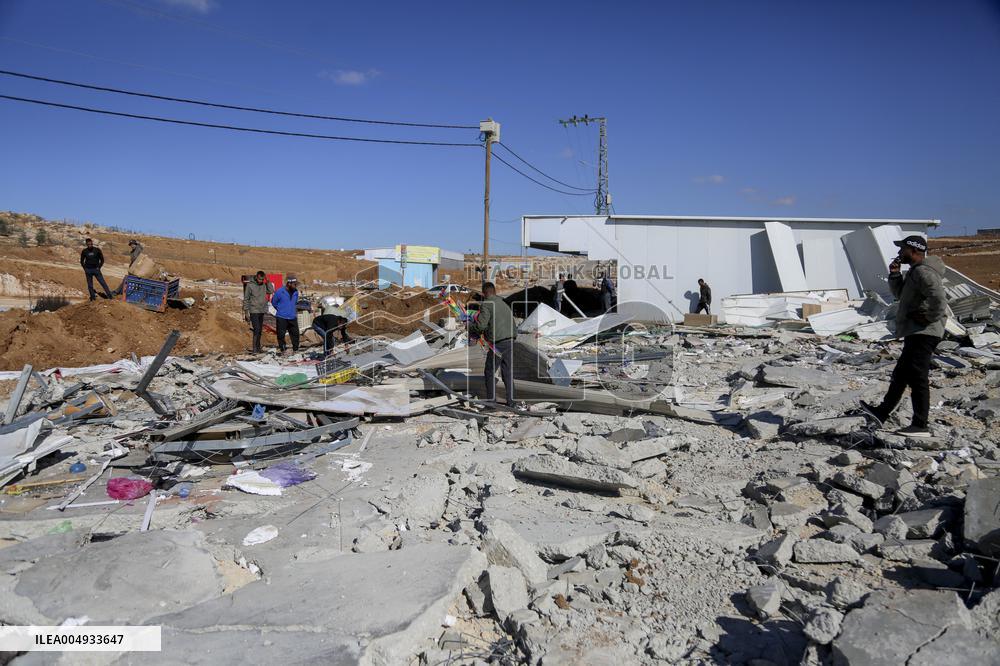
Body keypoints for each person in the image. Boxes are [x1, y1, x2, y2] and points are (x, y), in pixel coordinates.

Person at [859, 236, 947, 438]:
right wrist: (895, 275)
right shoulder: (914, 272)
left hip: (924, 332)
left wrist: (928, 317)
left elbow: (939, 298)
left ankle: (920, 425)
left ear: (914, 250)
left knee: (917, 377)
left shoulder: (924, 272)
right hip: (916, 331)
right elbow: (900, 296)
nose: (900, 253)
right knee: (901, 375)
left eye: (903, 249)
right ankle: (881, 413)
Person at [467, 282, 518, 406]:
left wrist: (469, 326)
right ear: (494, 291)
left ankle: (491, 404)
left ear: (484, 293)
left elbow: (481, 326)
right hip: (510, 340)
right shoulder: (503, 303)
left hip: (498, 343)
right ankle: (512, 402)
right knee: (507, 372)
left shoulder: (486, 304)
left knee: (489, 371)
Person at [243, 271, 273, 353]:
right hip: (254, 310)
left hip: (262, 310)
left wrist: (268, 282)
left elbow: (271, 291)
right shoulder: (250, 285)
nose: (261, 281)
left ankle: (258, 347)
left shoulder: (264, 284)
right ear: (256, 277)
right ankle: (255, 349)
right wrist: (246, 312)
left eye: (262, 279)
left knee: (259, 330)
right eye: (260, 279)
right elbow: (246, 299)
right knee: (256, 329)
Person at [270, 275, 301, 353]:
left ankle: (296, 349)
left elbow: (294, 302)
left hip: (292, 316)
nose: (295, 286)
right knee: (281, 334)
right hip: (282, 317)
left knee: (295, 334)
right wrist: (281, 309)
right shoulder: (280, 291)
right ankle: (283, 349)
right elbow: (274, 302)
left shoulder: (296, 292)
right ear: (289, 283)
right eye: (294, 284)